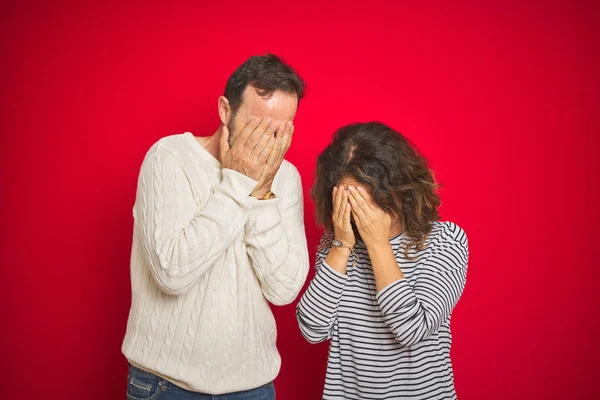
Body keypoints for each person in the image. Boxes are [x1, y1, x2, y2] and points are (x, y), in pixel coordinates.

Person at [122, 54, 309, 399]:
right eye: (259, 125)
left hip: (252, 388)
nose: (270, 140)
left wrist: (264, 192)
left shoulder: (286, 178)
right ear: (226, 111)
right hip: (166, 386)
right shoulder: (169, 158)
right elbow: (172, 273)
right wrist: (238, 183)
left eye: (283, 129)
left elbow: (283, 291)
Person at [297, 122, 469, 399]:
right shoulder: (338, 246)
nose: (363, 215)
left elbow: (412, 329)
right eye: (351, 202)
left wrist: (378, 244)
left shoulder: (445, 240)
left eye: (372, 201)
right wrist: (341, 245)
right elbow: (313, 330)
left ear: (400, 190)